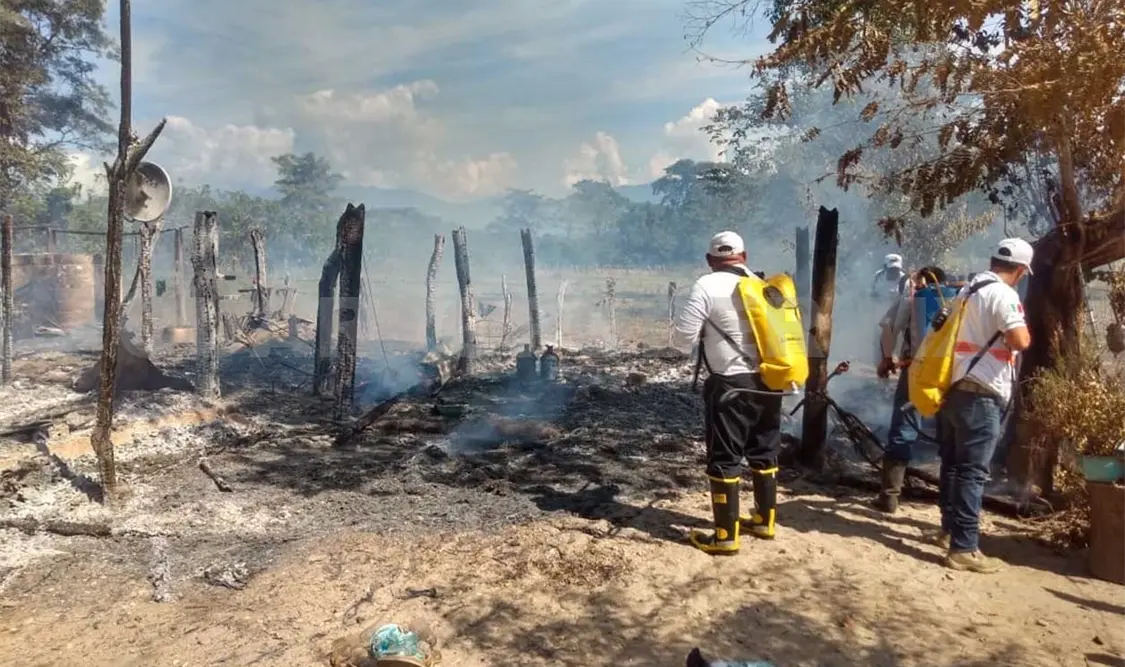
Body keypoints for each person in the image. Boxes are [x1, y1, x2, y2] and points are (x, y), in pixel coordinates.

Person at [673, 231, 784, 555]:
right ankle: (764, 521)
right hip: (771, 380)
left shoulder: (706, 285)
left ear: (710, 260)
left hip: (731, 386)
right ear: (744, 257)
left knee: (724, 456)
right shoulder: (762, 284)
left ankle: (725, 537)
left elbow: (683, 338)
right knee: (765, 449)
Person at [932, 238, 1033, 573]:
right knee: (973, 471)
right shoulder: (1004, 294)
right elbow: (1020, 339)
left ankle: (949, 530)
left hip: (954, 386)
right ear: (1020, 271)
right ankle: (963, 548)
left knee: (953, 464)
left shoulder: (967, 290)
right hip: (983, 391)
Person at [874, 265, 947, 513]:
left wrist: (887, 359)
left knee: (904, 427)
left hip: (916, 371)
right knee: (950, 434)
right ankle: (949, 500)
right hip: (950, 374)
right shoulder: (958, 301)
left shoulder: (912, 298)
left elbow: (887, 327)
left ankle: (889, 496)